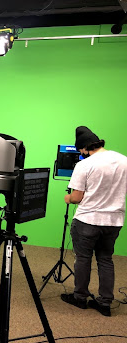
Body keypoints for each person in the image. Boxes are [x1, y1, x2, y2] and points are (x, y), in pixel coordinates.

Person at [61, 126, 127, 316]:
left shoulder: (84, 165)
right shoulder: (124, 161)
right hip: (114, 221)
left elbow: (76, 197)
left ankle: (80, 297)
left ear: (84, 148)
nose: (81, 154)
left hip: (87, 220)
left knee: (83, 258)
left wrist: (68, 198)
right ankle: (105, 302)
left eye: (81, 151)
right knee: (106, 259)